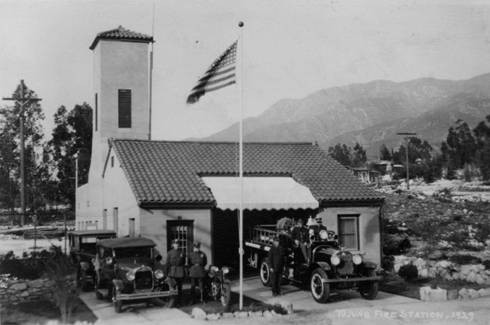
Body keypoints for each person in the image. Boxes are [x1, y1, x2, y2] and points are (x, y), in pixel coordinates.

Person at [166, 239, 185, 305]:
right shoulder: (169, 253)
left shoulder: (181, 252)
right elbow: (168, 263)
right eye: (175, 244)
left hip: (180, 271)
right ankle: (173, 302)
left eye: (177, 244)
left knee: (180, 288)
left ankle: (179, 301)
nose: (176, 245)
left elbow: (183, 262)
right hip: (172, 271)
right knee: (173, 287)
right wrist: (167, 273)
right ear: (172, 245)